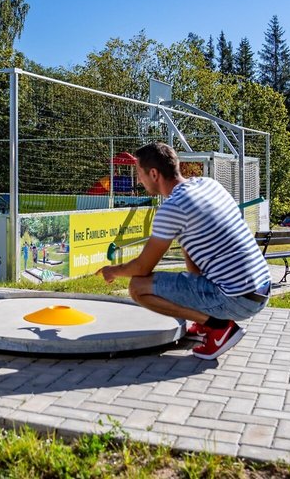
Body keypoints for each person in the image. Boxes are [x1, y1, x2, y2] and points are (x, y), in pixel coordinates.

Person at [96, 142, 271, 360]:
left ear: (154, 174)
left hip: (236, 299)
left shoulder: (173, 208)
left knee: (138, 287)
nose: (139, 180)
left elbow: (142, 268)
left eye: (140, 174)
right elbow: (193, 250)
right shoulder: (209, 184)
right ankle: (205, 322)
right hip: (260, 290)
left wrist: (113, 271)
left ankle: (219, 327)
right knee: (187, 250)